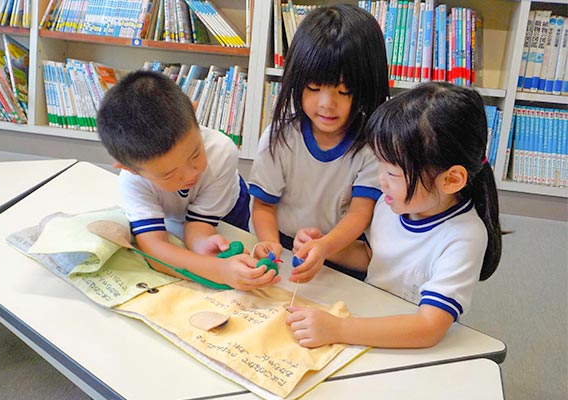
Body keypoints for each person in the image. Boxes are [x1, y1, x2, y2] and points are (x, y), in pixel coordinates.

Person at [287, 82, 502, 348]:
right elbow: (375, 258)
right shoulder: (392, 205)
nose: (381, 180)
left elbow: (428, 327)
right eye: (380, 166)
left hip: (410, 346)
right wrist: (325, 247)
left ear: (451, 179)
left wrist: (339, 329)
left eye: (392, 174)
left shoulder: (464, 237)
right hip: (367, 323)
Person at [97, 70, 279, 291]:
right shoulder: (132, 182)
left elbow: (200, 224)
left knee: (235, 246)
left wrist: (203, 246)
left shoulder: (221, 152)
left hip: (229, 212)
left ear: (194, 114)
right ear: (130, 169)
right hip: (177, 217)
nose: (190, 174)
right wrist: (218, 269)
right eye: (169, 174)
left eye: (195, 154)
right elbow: (154, 250)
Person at [248, 4, 389, 281]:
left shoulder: (371, 148)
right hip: (283, 246)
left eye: (343, 90)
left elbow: (361, 213)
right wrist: (270, 244)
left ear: (365, 86)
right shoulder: (280, 137)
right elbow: (264, 206)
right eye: (314, 88)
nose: (327, 104)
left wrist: (325, 246)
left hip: (340, 252)